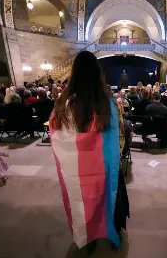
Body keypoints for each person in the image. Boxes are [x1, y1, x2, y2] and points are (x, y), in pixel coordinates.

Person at [49, 51, 128, 253]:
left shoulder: (62, 104)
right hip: (105, 166)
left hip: (75, 170)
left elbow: (57, 135)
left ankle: (87, 240)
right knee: (110, 200)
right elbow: (118, 135)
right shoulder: (108, 103)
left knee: (81, 204)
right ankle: (112, 234)